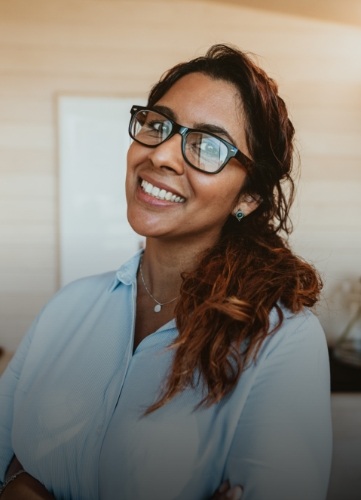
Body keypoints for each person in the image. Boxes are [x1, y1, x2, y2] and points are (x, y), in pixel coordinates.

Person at [0, 44, 332, 500]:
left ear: (247, 198)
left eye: (208, 145)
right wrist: (14, 480)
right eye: (158, 125)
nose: (162, 155)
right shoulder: (67, 308)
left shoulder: (281, 341)